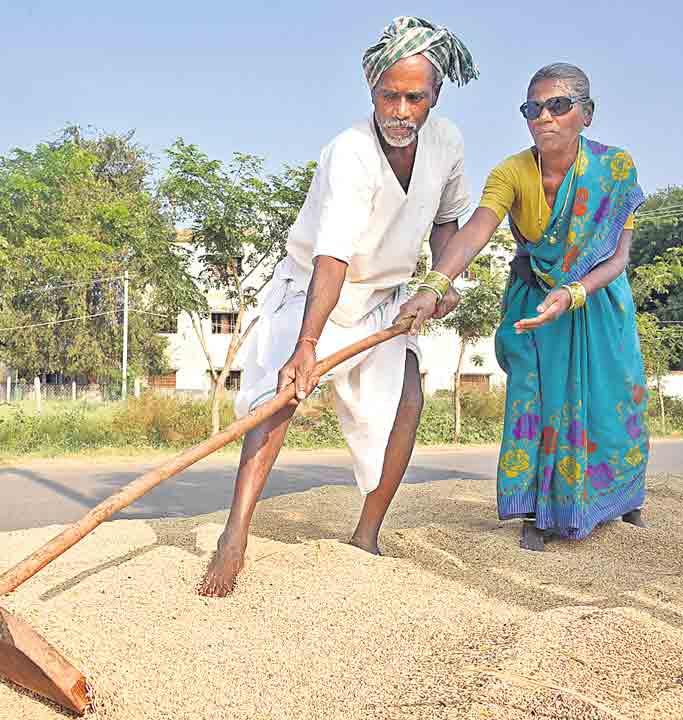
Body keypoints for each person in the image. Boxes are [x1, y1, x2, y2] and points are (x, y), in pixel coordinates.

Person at [196, 17, 478, 597]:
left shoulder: (447, 143)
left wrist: (441, 282)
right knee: (278, 402)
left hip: (384, 298)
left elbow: (448, 226)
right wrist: (306, 347)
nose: (400, 110)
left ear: (436, 96)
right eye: (388, 95)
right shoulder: (349, 152)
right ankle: (235, 535)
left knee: (409, 398)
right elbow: (333, 256)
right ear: (371, 90)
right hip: (313, 291)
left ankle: (367, 534)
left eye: (414, 97)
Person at [426, 62, 650, 552]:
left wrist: (573, 293)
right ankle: (535, 509)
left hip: (598, 304)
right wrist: (436, 281)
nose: (544, 117)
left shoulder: (615, 168)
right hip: (532, 303)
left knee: (611, 401)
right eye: (533, 108)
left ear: (586, 114)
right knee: (532, 398)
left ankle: (622, 498)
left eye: (558, 105)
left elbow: (620, 257)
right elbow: (478, 228)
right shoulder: (511, 171)